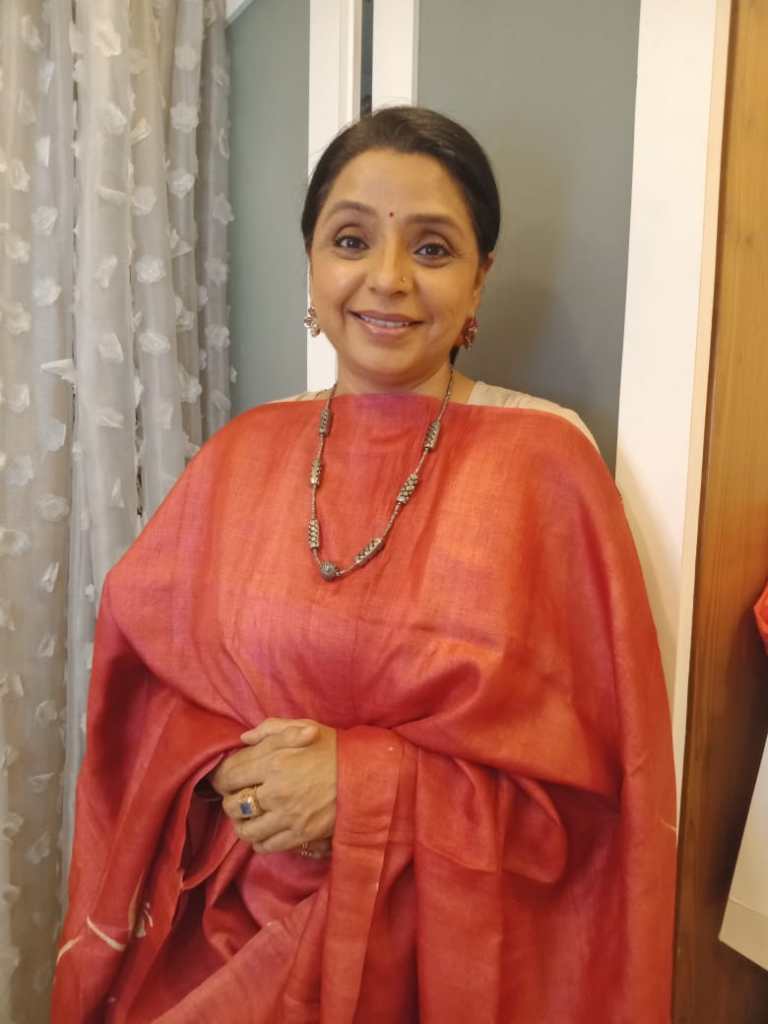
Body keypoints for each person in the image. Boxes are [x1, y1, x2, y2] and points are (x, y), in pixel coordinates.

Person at [53, 106, 676, 1022]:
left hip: (445, 962)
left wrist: (366, 788)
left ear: (480, 278)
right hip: (225, 937)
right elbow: (144, 689)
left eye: (432, 249)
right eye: (351, 240)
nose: (388, 279)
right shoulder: (245, 452)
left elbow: (594, 792)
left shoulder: (545, 463)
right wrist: (226, 767)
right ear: (312, 262)